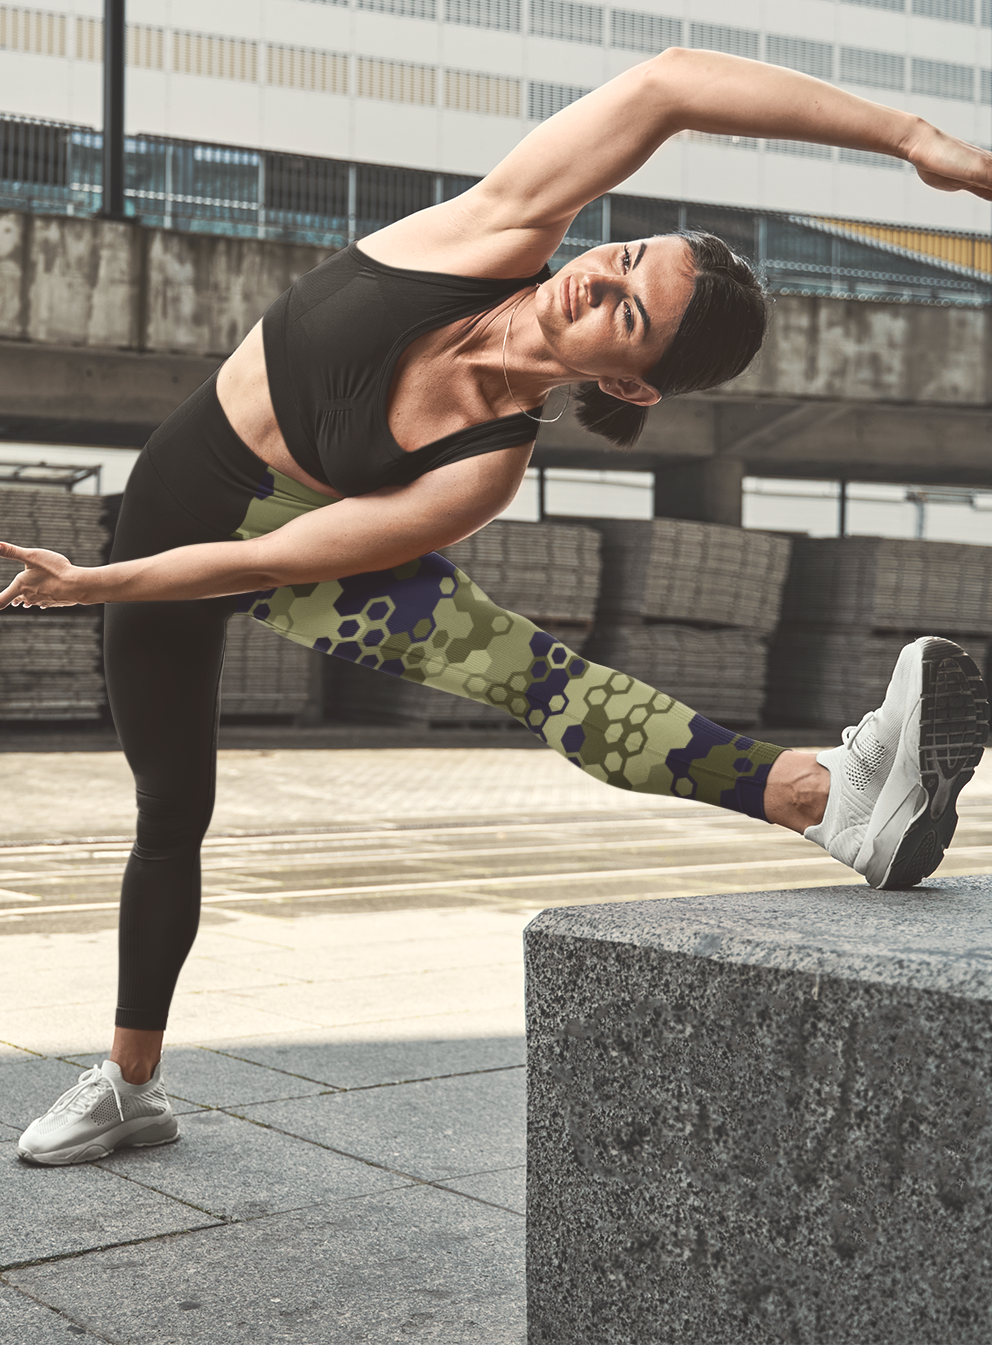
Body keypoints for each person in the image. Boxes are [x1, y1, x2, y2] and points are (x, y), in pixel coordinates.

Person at [3, 47, 990, 1166]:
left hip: (277, 547)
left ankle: (829, 799)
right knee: (170, 805)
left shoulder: (481, 469)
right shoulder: (480, 241)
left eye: (624, 313)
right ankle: (131, 1087)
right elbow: (667, 85)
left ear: (627, 384)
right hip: (171, 513)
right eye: (618, 258)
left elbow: (280, 556)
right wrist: (912, 140)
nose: (594, 280)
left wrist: (92, 584)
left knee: (527, 674)